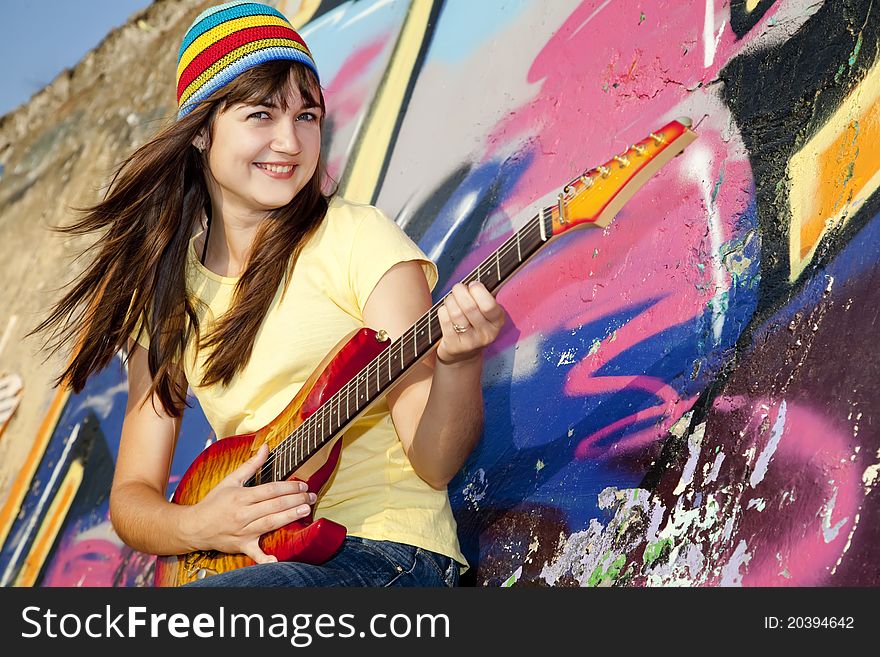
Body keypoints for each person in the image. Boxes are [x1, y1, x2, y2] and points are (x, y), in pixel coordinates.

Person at [30, 1, 505, 587]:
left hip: (387, 558)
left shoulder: (359, 238)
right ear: (202, 130)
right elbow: (131, 499)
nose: (290, 141)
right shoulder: (169, 303)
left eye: (307, 116)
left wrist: (459, 364)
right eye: (262, 115)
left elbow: (435, 461)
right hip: (253, 569)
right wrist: (204, 526)